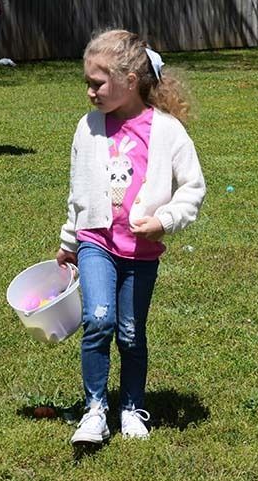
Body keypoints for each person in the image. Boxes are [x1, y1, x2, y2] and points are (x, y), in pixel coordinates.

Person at [56, 29, 206, 445]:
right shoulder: (87, 128)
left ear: (130, 80)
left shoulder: (167, 131)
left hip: (140, 251)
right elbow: (78, 191)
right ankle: (95, 410)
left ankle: (132, 407)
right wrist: (69, 242)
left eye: (97, 83)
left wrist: (165, 220)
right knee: (98, 319)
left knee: (130, 332)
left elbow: (193, 187)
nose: (90, 92)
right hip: (96, 243)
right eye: (87, 83)